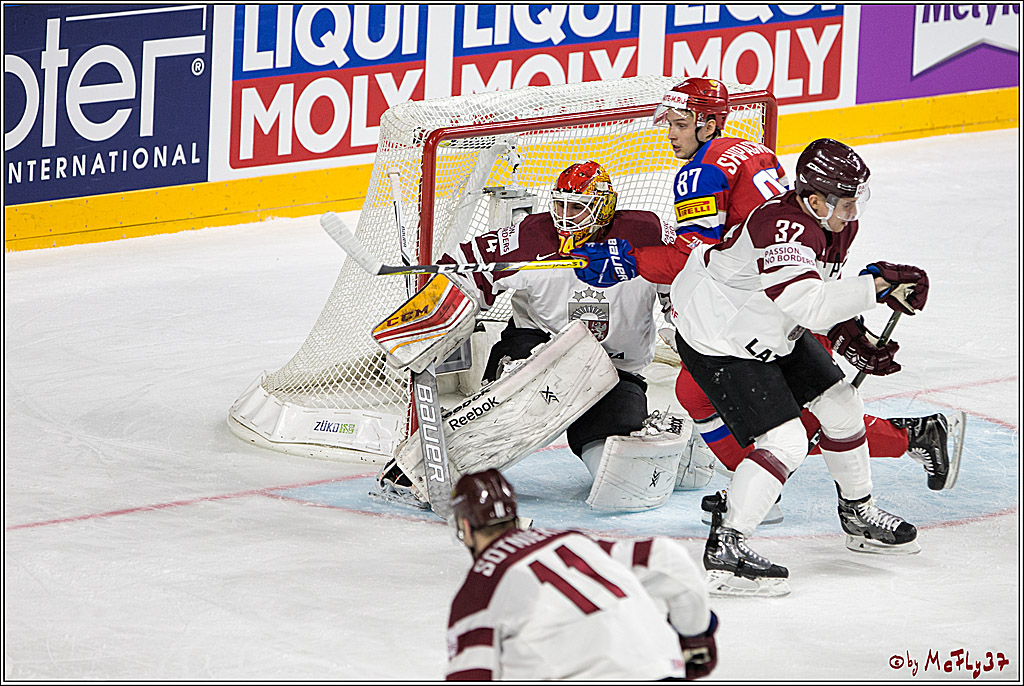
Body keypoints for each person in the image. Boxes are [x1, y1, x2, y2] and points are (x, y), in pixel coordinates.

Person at [571, 78, 961, 527]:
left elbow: (690, 257)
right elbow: (812, 259)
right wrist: (847, 326)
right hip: (774, 294)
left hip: (761, 308)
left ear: (708, 123)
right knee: (700, 394)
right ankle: (761, 487)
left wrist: (630, 261)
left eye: (680, 124)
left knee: (791, 425)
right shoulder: (755, 152)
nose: (671, 134)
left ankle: (907, 438)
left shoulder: (702, 171)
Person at [669, 137, 929, 595]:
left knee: (842, 405)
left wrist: (850, 330)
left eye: (855, 201)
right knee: (785, 440)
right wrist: (877, 287)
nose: (853, 212)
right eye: (845, 202)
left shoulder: (835, 224)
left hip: (772, 325)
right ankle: (728, 546)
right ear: (813, 199)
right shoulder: (781, 225)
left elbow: (820, 288)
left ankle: (856, 513)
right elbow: (806, 305)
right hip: (718, 336)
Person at [376, 161, 708, 513]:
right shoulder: (530, 237)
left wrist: (686, 331)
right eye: (560, 205)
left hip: (613, 371)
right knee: (502, 418)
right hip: (535, 352)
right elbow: (461, 268)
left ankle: (678, 446)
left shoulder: (646, 234)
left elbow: (685, 278)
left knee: (616, 476)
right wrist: (431, 317)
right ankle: (417, 469)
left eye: (577, 207)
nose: (565, 217)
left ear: (604, 208)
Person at [445, 468, 718, 680]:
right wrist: (695, 637)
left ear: (466, 527)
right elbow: (666, 558)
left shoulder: (478, 592)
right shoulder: (572, 542)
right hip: (658, 669)